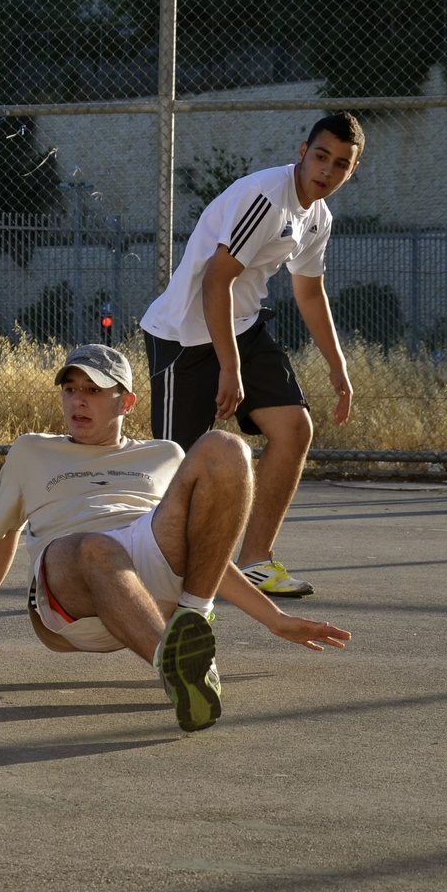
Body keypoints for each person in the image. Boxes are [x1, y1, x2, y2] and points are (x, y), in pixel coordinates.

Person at [0, 345, 350, 733]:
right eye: (71, 390)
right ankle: (177, 667)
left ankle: (191, 625)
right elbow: (0, 539)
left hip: (150, 567)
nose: (78, 402)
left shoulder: (162, 454)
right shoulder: (31, 451)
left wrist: (273, 618)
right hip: (70, 586)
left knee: (227, 448)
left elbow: (200, 549)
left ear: (126, 402)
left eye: (93, 390)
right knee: (97, 545)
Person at [138, 113, 364, 599]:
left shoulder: (318, 217)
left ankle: (256, 560)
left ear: (351, 171)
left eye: (340, 164)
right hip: (184, 335)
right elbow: (216, 281)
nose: (326, 170)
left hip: (241, 326)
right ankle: (151, 569)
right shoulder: (265, 197)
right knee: (179, 469)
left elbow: (309, 292)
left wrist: (338, 366)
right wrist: (229, 366)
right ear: (302, 151)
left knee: (295, 428)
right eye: (321, 156)